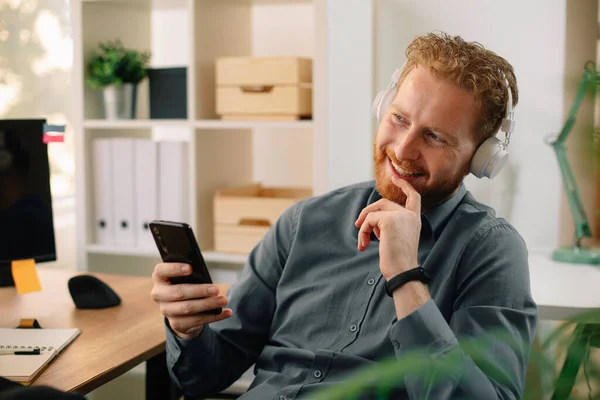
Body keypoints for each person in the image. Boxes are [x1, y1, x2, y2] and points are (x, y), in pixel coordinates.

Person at [151, 31, 538, 399]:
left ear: (482, 157)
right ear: (382, 108)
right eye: (399, 119)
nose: (403, 149)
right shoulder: (305, 221)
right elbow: (204, 375)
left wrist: (406, 279)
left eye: (434, 137)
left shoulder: (491, 251)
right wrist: (188, 330)